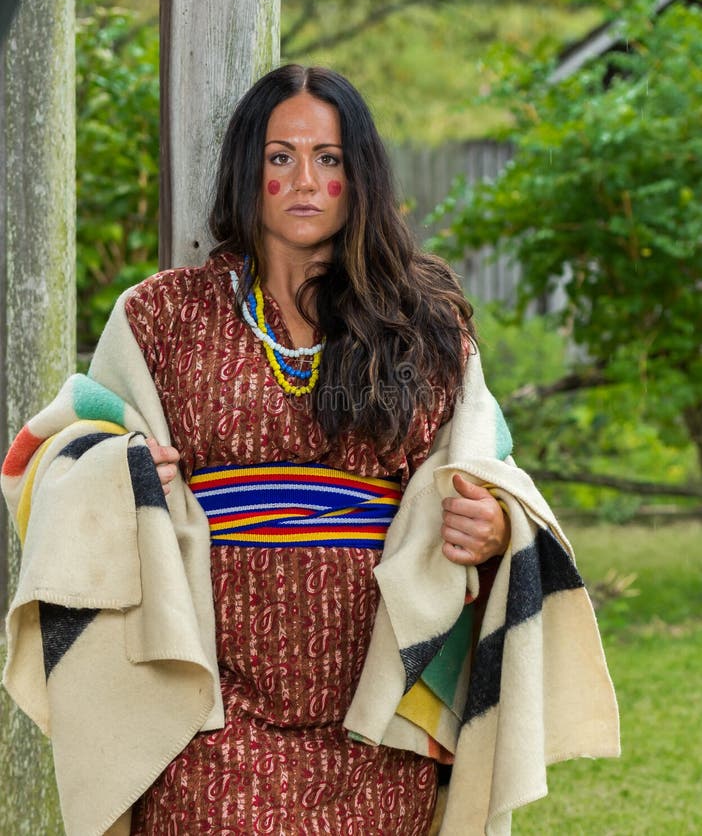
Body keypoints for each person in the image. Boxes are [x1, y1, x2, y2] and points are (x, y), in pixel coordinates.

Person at [2, 64, 619, 836]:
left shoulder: (424, 326)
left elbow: (482, 465)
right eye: (280, 156)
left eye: (328, 159)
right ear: (246, 170)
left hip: (377, 717)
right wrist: (116, 474)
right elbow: (63, 443)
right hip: (209, 716)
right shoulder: (161, 317)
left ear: (357, 176)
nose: (304, 179)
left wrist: (495, 530)